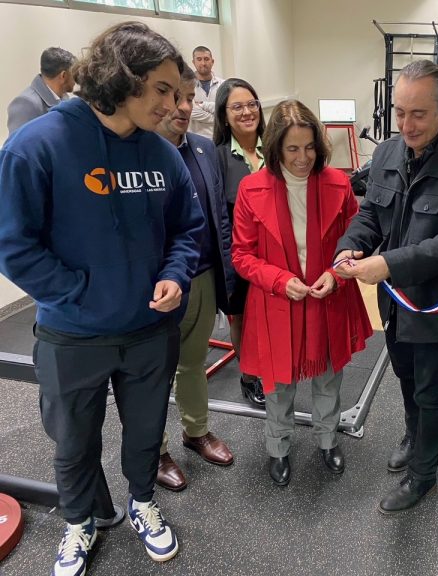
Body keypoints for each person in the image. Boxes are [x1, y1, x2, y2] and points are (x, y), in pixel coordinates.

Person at [0, 22, 205, 575]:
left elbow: (188, 228)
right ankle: (80, 521)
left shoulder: (161, 155)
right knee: (73, 443)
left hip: (147, 331)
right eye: (163, 89)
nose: (174, 103)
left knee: (144, 432)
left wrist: (175, 274)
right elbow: (14, 245)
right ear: (123, 79)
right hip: (73, 334)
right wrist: (81, 293)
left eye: (177, 91)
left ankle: (142, 504)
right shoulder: (36, 146)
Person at [335, 60, 438, 513]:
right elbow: (369, 215)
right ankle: (414, 434)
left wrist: (386, 264)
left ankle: (424, 472)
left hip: (435, 302)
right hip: (394, 301)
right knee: (405, 376)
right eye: (400, 113)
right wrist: (350, 247)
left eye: (418, 114)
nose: (406, 124)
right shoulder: (387, 152)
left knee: (430, 389)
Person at [231, 99, 372, 486]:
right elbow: (241, 255)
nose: (303, 157)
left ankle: (328, 440)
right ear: (275, 146)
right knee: (279, 385)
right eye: (292, 148)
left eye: (310, 147)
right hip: (278, 301)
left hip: (328, 297)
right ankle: (278, 448)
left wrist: (336, 273)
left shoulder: (339, 184)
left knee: (329, 377)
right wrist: (277, 279)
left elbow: (353, 242)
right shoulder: (251, 188)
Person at [154, 64, 237, 491]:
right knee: (153, 373)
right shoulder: (141, 154)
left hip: (203, 277)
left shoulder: (204, 149)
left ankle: (196, 430)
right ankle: (156, 449)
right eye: (175, 98)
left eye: (190, 98)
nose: (184, 107)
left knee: (193, 362)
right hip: (157, 289)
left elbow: (219, 217)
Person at [213, 78, 267, 406]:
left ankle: (274, 366)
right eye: (237, 107)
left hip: (278, 253)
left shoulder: (276, 147)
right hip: (241, 254)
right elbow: (220, 213)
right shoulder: (217, 157)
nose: (247, 112)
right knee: (242, 318)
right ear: (224, 114)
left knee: (273, 314)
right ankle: (249, 375)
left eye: (252, 104)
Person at [6, 47, 76, 136]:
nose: (76, 79)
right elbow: (17, 147)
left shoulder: (64, 98)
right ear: (63, 75)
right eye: (74, 74)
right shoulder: (25, 103)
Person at [189, 46, 224, 138]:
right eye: (199, 59)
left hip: (220, 139)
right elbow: (192, 112)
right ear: (193, 62)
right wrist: (218, 118)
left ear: (212, 61)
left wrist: (203, 105)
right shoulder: (187, 86)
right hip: (196, 139)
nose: (203, 63)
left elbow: (226, 110)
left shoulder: (223, 85)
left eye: (206, 59)